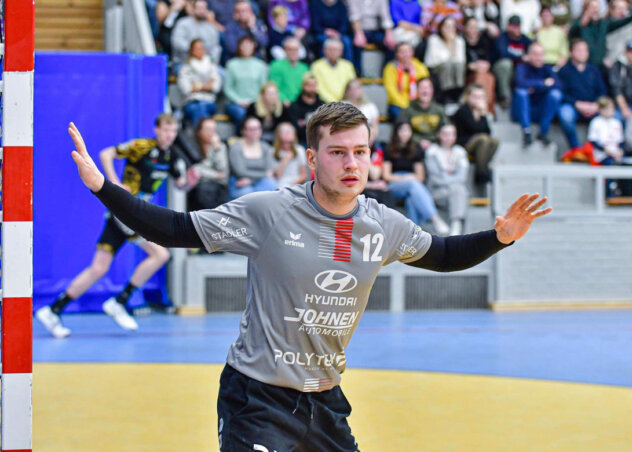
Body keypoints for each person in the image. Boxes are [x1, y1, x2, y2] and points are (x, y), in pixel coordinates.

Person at [68, 102, 551, 451]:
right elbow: (173, 229)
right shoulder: (269, 212)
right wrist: (101, 187)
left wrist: (499, 236)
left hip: (324, 402)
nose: (352, 163)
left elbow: (442, 255)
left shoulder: (382, 223)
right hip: (255, 399)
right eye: (338, 152)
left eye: (361, 152)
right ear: (312, 159)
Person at [35, 114, 187, 338]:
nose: (169, 135)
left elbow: (181, 184)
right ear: (157, 129)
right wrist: (115, 182)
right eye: (166, 130)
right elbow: (106, 153)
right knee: (160, 254)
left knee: (99, 268)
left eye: (173, 131)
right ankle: (120, 301)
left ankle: (54, 309)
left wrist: (190, 180)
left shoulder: (172, 157)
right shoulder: (141, 146)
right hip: (128, 211)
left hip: (132, 213)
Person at [383, 122, 450, 234]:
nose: (405, 134)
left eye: (408, 131)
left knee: (412, 198)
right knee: (412, 185)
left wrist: (410, 178)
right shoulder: (389, 148)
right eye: (402, 130)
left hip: (412, 182)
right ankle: (435, 218)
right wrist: (404, 179)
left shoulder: (416, 149)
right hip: (394, 184)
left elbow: (420, 176)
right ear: (396, 132)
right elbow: (386, 175)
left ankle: (414, 233)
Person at [557, 39, 606, 148]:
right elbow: (561, 93)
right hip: (572, 106)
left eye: (584, 50)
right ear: (571, 53)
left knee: (613, 115)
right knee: (565, 115)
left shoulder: (594, 70)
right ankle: (576, 149)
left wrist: (596, 105)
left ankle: (598, 150)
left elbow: (602, 91)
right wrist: (576, 103)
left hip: (593, 106)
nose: (582, 53)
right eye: (579, 50)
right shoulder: (564, 71)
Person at [513, 42, 563, 146]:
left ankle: (543, 132)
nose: (538, 58)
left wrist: (533, 87)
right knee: (521, 93)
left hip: (540, 110)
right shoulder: (521, 67)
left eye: (541, 54)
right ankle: (526, 131)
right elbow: (520, 83)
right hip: (522, 111)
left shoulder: (548, 69)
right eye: (535, 54)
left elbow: (558, 85)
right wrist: (543, 83)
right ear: (528, 55)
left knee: (556, 95)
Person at [425, 124, 470, 236]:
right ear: (439, 135)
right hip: (436, 193)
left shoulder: (460, 152)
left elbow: (463, 177)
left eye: (451, 134)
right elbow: (435, 179)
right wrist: (453, 180)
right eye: (445, 134)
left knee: (459, 189)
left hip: (453, 192)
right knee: (459, 189)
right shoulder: (432, 152)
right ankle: (456, 224)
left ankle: (455, 224)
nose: (448, 137)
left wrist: (446, 178)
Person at [451, 83, 498, 188]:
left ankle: (482, 166)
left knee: (494, 141)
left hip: (477, 144)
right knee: (483, 139)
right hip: (462, 144)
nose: (478, 100)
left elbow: (487, 132)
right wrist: (482, 114)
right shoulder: (462, 111)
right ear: (467, 97)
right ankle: (481, 173)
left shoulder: (480, 113)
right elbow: (474, 128)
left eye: (481, 97)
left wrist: (483, 115)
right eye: (475, 97)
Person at [568, 0, 632, 67]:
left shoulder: (603, 24)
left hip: (601, 64)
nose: (596, 10)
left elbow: (620, 23)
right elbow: (572, 34)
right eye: (593, 7)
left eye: (597, 7)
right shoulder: (580, 24)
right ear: (586, 9)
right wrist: (582, 22)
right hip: (585, 64)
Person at [223, 36, 269, 129]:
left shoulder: (260, 65)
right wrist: (239, 100)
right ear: (239, 47)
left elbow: (263, 88)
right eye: (244, 45)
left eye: (249, 45)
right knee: (241, 114)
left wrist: (254, 101)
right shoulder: (231, 64)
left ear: (254, 47)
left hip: (255, 102)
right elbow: (227, 88)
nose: (246, 48)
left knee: (258, 111)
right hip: (236, 103)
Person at [228, 116, 278, 198]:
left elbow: (269, 170)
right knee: (247, 194)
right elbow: (240, 172)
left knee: (271, 185)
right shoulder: (236, 147)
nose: (255, 132)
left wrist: (251, 180)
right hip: (240, 181)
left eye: (257, 128)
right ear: (243, 131)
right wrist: (264, 174)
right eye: (251, 129)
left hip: (258, 181)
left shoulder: (265, 147)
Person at [186, 117, 229, 211]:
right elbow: (194, 170)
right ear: (199, 131)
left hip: (218, 188)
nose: (211, 133)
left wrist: (217, 149)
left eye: (214, 130)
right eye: (208, 129)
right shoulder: (191, 147)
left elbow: (222, 172)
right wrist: (214, 174)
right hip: (196, 189)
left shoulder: (220, 146)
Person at [177, 39, 222, 126]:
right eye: (197, 48)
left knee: (202, 107)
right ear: (191, 50)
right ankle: (204, 134)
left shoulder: (211, 64)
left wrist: (196, 86)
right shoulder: (185, 67)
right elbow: (186, 89)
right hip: (191, 102)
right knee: (198, 108)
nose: (200, 50)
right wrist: (206, 85)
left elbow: (216, 86)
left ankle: (201, 134)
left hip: (209, 101)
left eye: (202, 48)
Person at [398, 77, 447, 152]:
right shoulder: (407, 111)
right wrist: (419, 141)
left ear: (432, 91)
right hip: (413, 147)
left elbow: (447, 129)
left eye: (428, 88)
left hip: (436, 146)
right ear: (416, 91)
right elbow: (401, 132)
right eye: (422, 88)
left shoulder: (439, 110)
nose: (425, 91)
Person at [383, 42, 430, 121]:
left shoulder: (419, 66)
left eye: (408, 51)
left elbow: (426, 86)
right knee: (403, 118)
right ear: (397, 54)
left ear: (412, 52)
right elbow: (391, 91)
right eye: (402, 52)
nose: (406, 54)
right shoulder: (390, 68)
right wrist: (405, 105)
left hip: (417, 102)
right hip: (398, 104)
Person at [425, 16, 466, 102]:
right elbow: (436, 61)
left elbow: (460, 60)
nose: (449, 29)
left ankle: (458, 94)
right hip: (436, 69)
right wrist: (449, 44)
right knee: (447, 65)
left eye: (452, 26)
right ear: (441, 27)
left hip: (453, 70)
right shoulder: (434, 39)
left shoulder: (459, 41)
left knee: (459, 66)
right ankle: (446, 96)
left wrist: (452, 44)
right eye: (447, 26)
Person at [493, 15, 531, 107]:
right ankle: (505, 97)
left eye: (517, 26)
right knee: (506, 64)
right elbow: (503, 54)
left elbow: (530, 55)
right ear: (508, 26)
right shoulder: (502, 38)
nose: (515, 28)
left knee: (524, 67)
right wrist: (521, 58)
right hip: (501, 69)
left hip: (519, 70)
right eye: (513, 26)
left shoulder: (525, 40)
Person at [348, 0, 396, 74]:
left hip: (375, 31)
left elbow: (386, 18)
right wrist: (358, 33)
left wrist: (389, 34)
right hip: (358, 30)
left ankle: (386, 73)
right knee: (355, 44)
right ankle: (357, 74)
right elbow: (354, 17)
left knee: (390, 45)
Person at [171, 0, 221, 66]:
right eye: (199, 8)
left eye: (203, 8)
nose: (201, 11)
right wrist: (195, 51)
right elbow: (177, 42)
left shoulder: (210, 28)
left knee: (221, 74)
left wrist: (211, 60)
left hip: (206, 63)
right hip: (185, 62)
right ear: (193, 9)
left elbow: (216, 48)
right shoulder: (183, 23)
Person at [463, 16, 497, 114]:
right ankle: (486, 109)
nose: (474, 30)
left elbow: (488, 59)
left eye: (476, 27)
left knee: (488, 77)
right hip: (468, 73)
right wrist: (471, 66)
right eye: (471, 27)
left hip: (483, 71)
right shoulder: (461, 41)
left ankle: (483, 107)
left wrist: (485, 65)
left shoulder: (484, 40)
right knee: (482, 77)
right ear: (465, 28)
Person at [268, 37, 310, 106]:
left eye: (296, 49)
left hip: (301, 104)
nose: (293, 52)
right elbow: (274, 87)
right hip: (282, 103)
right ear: (284, 50)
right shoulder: (275, 66)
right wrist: (283, 99)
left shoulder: (304, 68)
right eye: (290, 49)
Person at [287, 72, 325, 146]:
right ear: (303, 86)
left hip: (320, 141)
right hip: (301, 141)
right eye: (309, 85)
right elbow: (295, 129)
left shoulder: (323, 105)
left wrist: (305, 123)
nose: (312, 88)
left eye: (314, 85)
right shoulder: (294, 106)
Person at [342, 78, 381, 146]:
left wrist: (370, 138)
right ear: (347, 91)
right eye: (352, 89)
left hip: (368, 138)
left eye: (357, 88)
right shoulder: (342, 105)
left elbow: (375, 128)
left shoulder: (371, 106)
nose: (355, 91)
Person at [587, 96, 624, 164]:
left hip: (615, 150)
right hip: (602, 152)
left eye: (611, 109)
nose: (609, 111)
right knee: (608, 162)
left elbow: (620, 140)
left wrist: (620, 150)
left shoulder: (616, 123)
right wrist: (605, 150)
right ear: (600, 109)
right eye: (606, 109)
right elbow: (593, 140)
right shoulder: (596, 122)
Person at [272, 122, 308, 187]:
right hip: (278, 185)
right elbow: (275, 177)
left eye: (291, 131)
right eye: (285, 131)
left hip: (295, 185)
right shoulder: (273, 151)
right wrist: (285, 161)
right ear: (278, 134)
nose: (288, 133)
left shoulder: (299, 150)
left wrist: (292, 186)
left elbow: (303, 175)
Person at [608, 40, 632, 121]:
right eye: (631, 52)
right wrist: (624, 108)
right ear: (626, 52)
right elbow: (616, 90)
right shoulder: (617, 66)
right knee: (616, 118)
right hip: (619, 105)